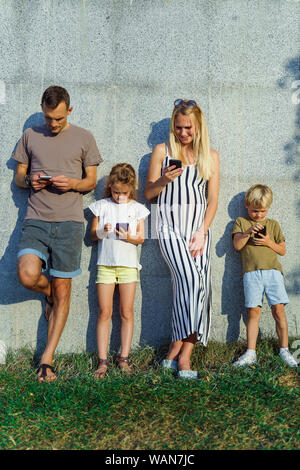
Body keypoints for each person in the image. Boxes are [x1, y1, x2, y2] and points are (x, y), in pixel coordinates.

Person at [13, 85, 102, 382]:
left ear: (69, 111)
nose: (53, 124)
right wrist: (31, 181)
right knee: (27, 274)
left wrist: (71, 184)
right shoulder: (30, 136)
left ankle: (46, 360)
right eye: (49, 118)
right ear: (43, 110)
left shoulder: (84, 138)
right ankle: (48, 293)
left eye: (59, 119)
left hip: (69, 222)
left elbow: (91, 181)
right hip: (36, 219)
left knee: (65, 289)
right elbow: (18, 176)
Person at [145, 99, 220, 379]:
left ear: (198, 126)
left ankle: (177, 351)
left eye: (188, 127)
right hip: (169, 229)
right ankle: (183, 358)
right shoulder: (162, 151)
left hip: (198, 232)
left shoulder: (210, 156)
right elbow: (149, 194)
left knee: (198, 287)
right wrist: (164, 179)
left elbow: (212, 200)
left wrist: (202, 231)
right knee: (190, 280)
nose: (183, 133)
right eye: (178, 127)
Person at [89, 163, 150, 378]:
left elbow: (141, 238)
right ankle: (103, 361)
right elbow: (92, 236)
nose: (119, 196)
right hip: (105, 265)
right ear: (110, 187)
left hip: (128, 266)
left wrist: (127, 236)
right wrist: (101, 231)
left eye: (124, 193)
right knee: (104, 312)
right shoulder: (101, 206)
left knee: (126, 312)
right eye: (116, 192)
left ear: (131, 189)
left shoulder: (137, 208)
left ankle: (124, 358)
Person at [232, 184, 297, 367]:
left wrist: (268, 242)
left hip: (273, 273)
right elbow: (237, 246)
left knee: (279, 310)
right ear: (246, 205)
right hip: (251, 274)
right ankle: (251, 352)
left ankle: (284, 349)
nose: (258, 215)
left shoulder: (273, 225)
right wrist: (246, 233)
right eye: (254, 211)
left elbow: (282, 250)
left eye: (262, 211)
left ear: (268, 208)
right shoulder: (241, 222)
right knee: (253, 311)